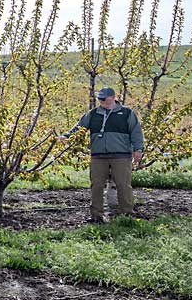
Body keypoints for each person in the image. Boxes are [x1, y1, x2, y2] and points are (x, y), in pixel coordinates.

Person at [60, 86, 144, 222]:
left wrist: (138, 149)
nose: (101, 101)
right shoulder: (93, 114)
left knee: (123, 185)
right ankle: (96, 216)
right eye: (100, 99)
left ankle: (127, 215)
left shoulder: (127, 113)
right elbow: (80, 127)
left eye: (104, 99)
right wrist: (67, 136)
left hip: (121, 156)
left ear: (112, 98)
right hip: (98, 156)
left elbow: (136, 132)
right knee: (96, 185)